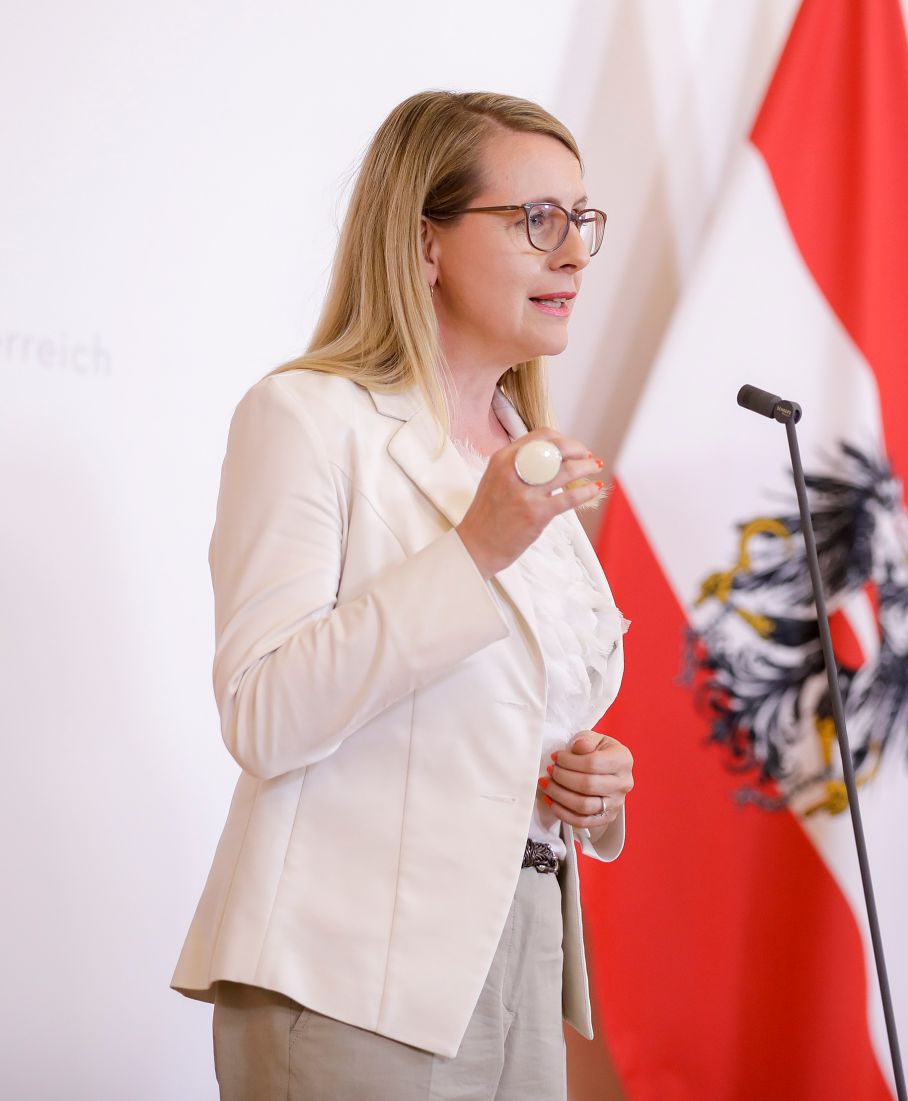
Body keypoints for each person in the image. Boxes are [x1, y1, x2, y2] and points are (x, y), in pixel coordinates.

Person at [170, 91, 635, 1101]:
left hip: (520, 948)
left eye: (581, 221)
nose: (571, 256)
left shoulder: (529, 451)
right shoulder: (306, 417)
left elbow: (495, 710)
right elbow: (264, 713)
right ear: (425, 242)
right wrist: (473, 553)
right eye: (534, 221)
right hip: (345, 967)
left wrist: (585, 782)